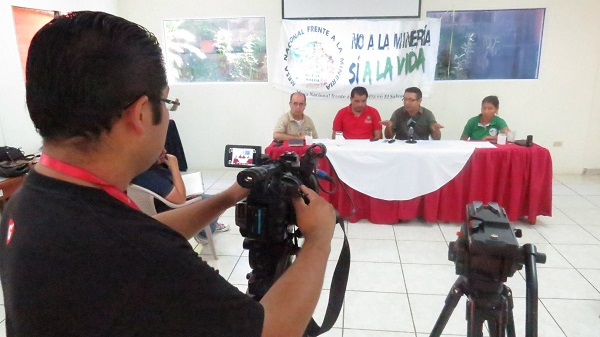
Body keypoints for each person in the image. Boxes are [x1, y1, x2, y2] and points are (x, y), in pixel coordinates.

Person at [0, 11, 336, 337]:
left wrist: (226, 197)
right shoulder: (144, 259)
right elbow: (272, 330)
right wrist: (319, 239)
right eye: (167, 102)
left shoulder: (27, 201)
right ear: (142, 113)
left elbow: (142, 233)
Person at [131, 149, 229, 244]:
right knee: (216, 202)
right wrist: (174, 166)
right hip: (172, 210)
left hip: (163, 204)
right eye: (160, 149)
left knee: (210, 199)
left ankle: (209, 224)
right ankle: (204, 235)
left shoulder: (144, 168)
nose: (164, 151)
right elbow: (180, 200)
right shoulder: (149, 176)